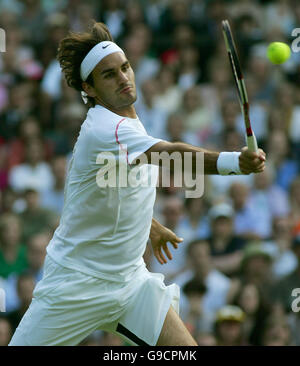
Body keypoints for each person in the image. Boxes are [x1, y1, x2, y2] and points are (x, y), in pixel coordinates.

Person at [9, 21, 266, 346]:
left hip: (131, 284)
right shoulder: (107, 128)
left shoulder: (127, 122)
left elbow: (114, 188)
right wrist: (234, 163)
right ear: (89, 89)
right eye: (108, 75)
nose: (123, 79)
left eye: (125, 68)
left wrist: (151, 225)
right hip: (74, 284)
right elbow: (170, 154)